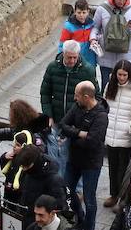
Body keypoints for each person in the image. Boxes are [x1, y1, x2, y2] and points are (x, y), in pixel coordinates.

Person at [58, 82, 108, 230]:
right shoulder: (77, 107)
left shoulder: (101, 116)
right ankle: (80, 218)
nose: (74, 98)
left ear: (86, 97)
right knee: (67, 190)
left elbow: (92, 142)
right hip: (74, 159)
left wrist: (73, 137)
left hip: (91, 163)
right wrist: (80, 133)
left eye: (77, 95)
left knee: (89, 197)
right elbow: (63, 125)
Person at [41, 41, 97, 173]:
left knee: (71, 154)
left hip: (76, 121)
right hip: (56, 117)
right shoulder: (52, 67)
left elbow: (95, 95)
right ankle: (57, 180)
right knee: (54, 152)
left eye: (75, 57)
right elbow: (45, 93)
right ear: (63, 54)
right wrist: (48, 115)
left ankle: (74, 187)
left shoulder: (87, 70)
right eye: (69, 57)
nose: (72, 60)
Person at [101, 60, 131, 208]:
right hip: (111, 132)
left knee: (125, 170)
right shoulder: (110, 85)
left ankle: (124, 199)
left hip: (126, 135)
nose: (121, 77)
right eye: (119, 74)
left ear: (129, 74)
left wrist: (130, 127)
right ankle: (114, 195)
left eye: (124, 75)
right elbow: (105, 107)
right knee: (112, 167)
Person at [91, 0, 131, 88]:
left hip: (124, 59)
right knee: (106, 86)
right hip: (106, 56)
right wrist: (93, 39)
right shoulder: (102, 9)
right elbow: (95, 27)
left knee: (123, 88)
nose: (122, 2)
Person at [58, 0, 97, 71]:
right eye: (79, 13)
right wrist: (60, 59)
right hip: (75, 62)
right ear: (75, 12)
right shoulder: (68, 26)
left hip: (90, 62)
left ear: (88, 12)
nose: (81, 15)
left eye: (84, 12)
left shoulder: (92, 24)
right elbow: (62, 45)